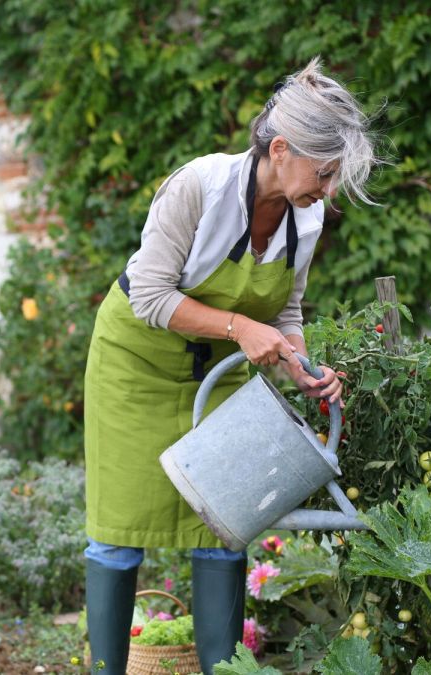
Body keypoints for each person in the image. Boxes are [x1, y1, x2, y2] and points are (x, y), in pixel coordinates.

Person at [83, 56, 377, 674]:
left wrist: (301, 366)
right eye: (323, 174)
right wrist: (242, 328)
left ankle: (224, 670)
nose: (327, 191)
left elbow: (286, 307)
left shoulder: (308, 214)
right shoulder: (199, 188)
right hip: (134, 366)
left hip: (219, 374)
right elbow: (150, 295)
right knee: (117, 532)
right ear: (280, 148)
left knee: (227, 522)